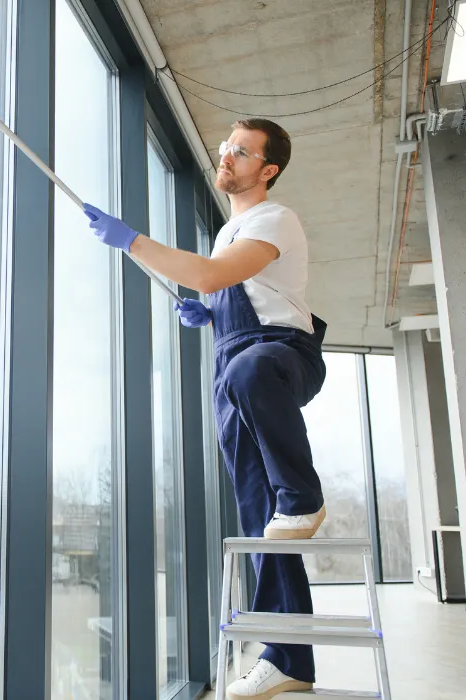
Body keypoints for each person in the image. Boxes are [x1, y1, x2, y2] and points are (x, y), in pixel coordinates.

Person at [83, 118, 327, 699]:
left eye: (241, 152)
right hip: (234, 369)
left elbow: (214, 275)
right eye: (225, 147)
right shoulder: (228, 231)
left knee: (252, 377)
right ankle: (287, 657)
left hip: (278, 358)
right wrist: (211, 315)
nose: (227, 156)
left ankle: (305, 496)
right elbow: (228, 288)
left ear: (266, 170)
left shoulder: (274, 217)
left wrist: (133, 242)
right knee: (259, 515)